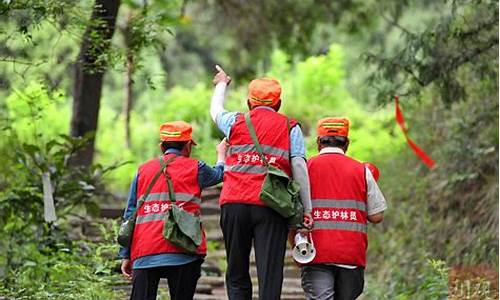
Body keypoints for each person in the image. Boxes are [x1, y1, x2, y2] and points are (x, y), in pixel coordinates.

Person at [210, 65, 313, 300]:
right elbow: (299, 168)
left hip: (234, 203)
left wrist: (222, 84)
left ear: (249, 102)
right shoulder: (290, 127)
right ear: (278, 103)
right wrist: (307, 209)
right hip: (271, 205)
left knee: (236, 270)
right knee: (270, 272)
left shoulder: (235, 122)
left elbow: (215, 111)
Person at [119, 121, 227, 300]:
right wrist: (221, 155)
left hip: (145, 250)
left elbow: (130, 213)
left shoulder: (142, 171)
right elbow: (219, 175)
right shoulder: (196, 168)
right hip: (182, 250)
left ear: (162, 146)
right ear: (187, 146)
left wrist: (125, 254)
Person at [301, 117, 387, 300]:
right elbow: (377, 215)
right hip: (351, 255)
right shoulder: (361, 170)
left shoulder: (305, 168)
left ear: (318, 142)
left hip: (315, 253)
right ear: (346, 143)